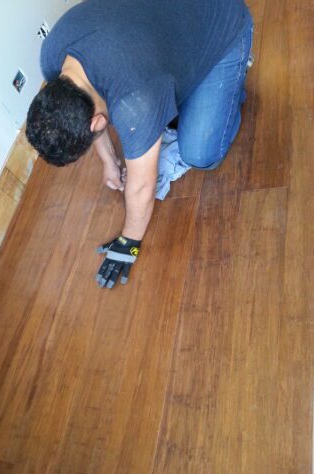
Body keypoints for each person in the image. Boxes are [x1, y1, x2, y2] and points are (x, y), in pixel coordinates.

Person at [26, 0, 253, 289]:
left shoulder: (136, 101)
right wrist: (109, 159)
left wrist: (129, 244)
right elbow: (89, 111)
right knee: (167, 108)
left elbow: (142, 187)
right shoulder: (53, 55)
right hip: (163, 23)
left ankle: (235, 70)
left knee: (201, 154)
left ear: (96, 123)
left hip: (223, 19)